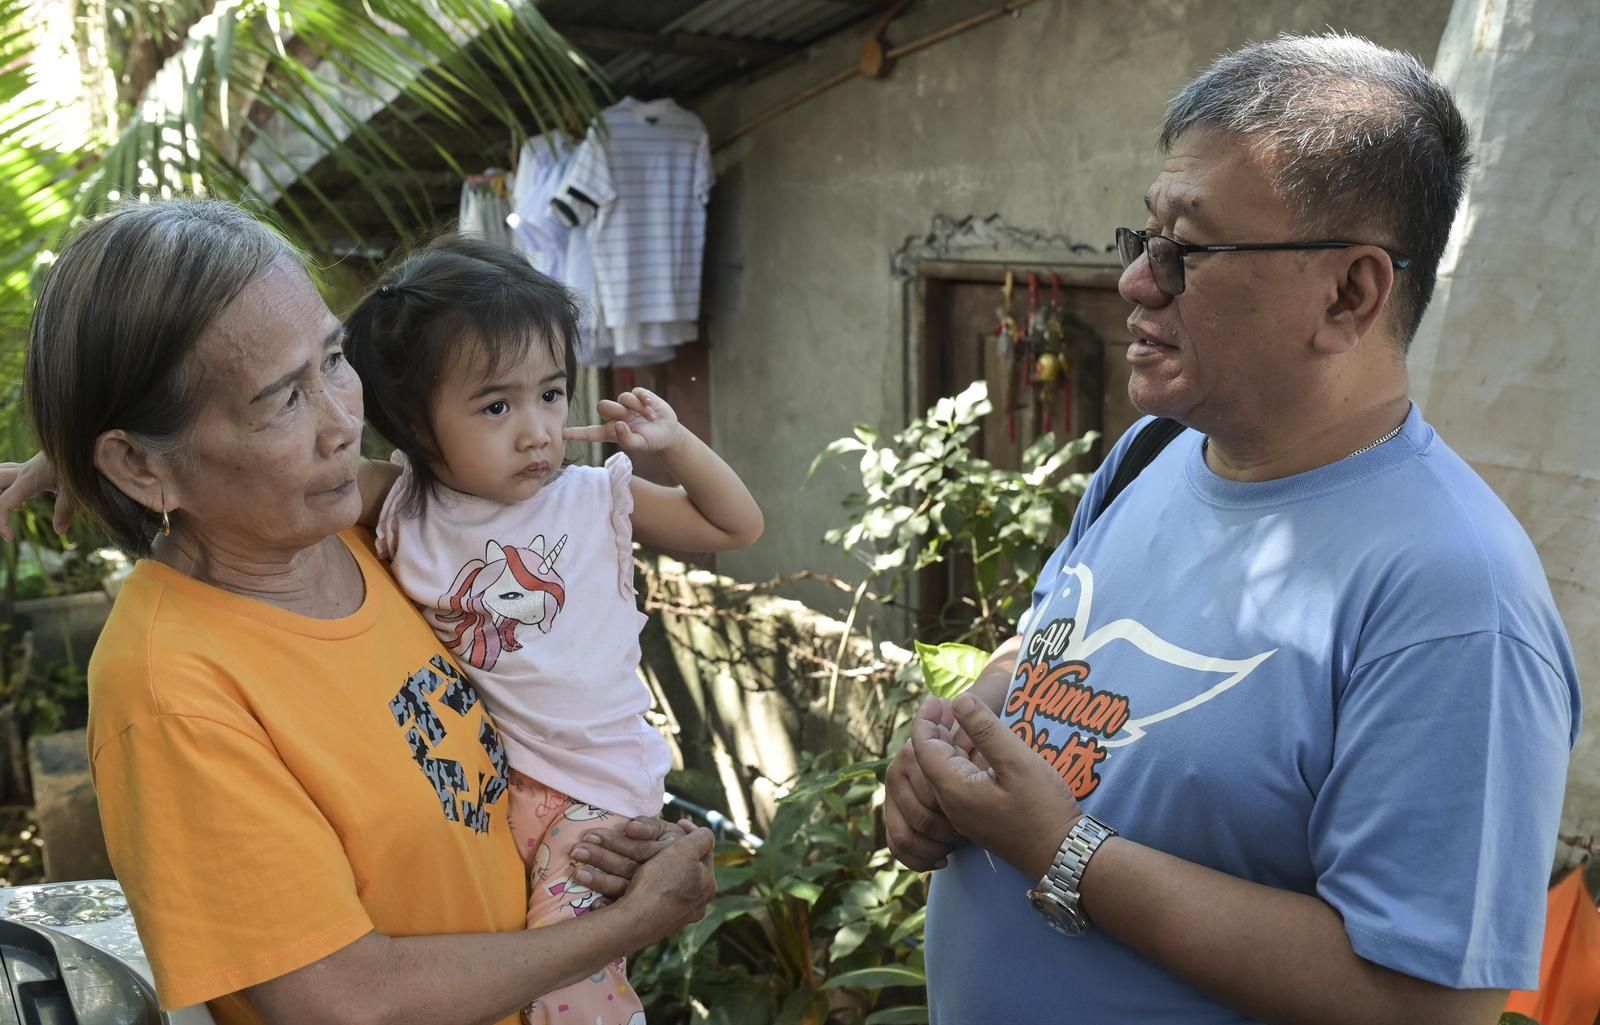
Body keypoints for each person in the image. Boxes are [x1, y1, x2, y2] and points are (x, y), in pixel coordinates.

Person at [886, 32, 1582, 1025]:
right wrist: (954, 737)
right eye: (1145, 238)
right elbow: (1053, 651)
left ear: (1349, 293)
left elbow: (1425, 1003)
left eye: (1190, 250)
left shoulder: (1450, 598)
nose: (1136, 281)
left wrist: (1065, 850)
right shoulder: (1154, 455)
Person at [4, 198, 718, 1025]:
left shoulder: (348, 534)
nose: (346, 424)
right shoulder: (174, 690)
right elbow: (344, 1003)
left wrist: (594, 844)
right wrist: (631, 924)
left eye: (334, 361)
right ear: (135, 462)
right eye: (281, 401)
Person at [340, 235, 763, 1025]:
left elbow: (733, 524)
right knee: (504, 954)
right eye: (497, 405)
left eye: (552, 392)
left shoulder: (588, 495)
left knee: (568, 968)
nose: (535, 429)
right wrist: (80, 463)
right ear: (413, 424)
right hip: (503, 788)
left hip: (597, 790)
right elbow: (276, 474)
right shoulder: (403, 506)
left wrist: (673, 444)